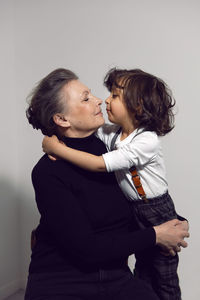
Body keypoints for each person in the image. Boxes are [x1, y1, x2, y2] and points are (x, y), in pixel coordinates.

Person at [25, 68, 189, 300]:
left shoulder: (111, 149)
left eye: (92, 94)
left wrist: (172, 225)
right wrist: (155, 235)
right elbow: (87, 249)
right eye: (86, 98)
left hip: (115, 276)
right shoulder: (47, 171)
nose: (99, 100)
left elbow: (137, 205)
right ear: (61, 119)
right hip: (63, 279)